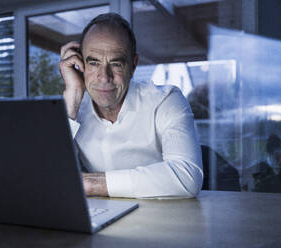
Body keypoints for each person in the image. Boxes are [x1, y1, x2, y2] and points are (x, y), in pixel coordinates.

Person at [58, 13, 203, 198]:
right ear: (80, 64)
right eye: (93, 63)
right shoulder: (75, 106)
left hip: (162, 217)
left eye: (116, 63)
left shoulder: (166, 100)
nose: (104, 77)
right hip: (102, 216)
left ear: (133, 66)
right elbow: (46, 174)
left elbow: (187, 176)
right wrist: (72, 97)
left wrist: (92, 184)